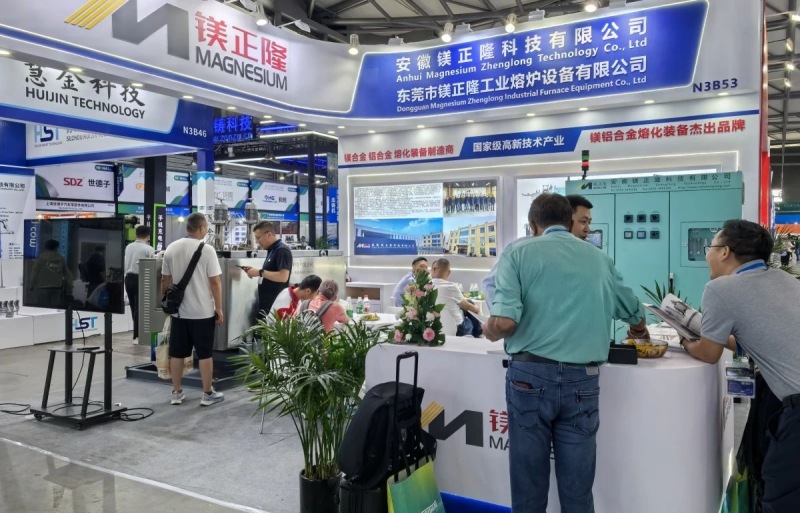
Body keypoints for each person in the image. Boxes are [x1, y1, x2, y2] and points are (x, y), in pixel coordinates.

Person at [484, 193, 648, 513]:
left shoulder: (517, 253)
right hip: (582, 380)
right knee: (577, 487)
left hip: (528, 378)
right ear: (568, 220)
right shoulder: (599, 259)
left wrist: (489, 329)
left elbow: (504, 321)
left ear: (533, 225)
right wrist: (639, 331)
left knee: (529, 483)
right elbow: (634, 312)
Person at [679, 220, 800, 513]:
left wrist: (685, 342)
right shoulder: (785, 280)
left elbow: (708, 353)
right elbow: (760, 338)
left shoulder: (721, 288)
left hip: (797, 413)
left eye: (711, 248)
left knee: (779, 499)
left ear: (724, 252)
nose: (708, 255)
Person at [483, 194, 594, 309]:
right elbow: (490, 284)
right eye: (583, 221)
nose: (587, 229)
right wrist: (504, 314)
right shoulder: (518, 251)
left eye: (589, 222)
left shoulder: (589, 256)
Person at [161, 213, 224, 407]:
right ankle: (207, 393)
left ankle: (176, 393)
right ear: (201, 228)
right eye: (206, 228)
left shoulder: (171, 248)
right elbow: (215, 281)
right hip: (203, 312)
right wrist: (219, 308)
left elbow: (165, 280)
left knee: (177, 353)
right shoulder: (207, 250)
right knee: (205, 354)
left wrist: (167, 300)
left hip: (179, 313)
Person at [243, 221, 293, 316]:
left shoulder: (282, 250)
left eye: (258, 238)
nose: (257, 241)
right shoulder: (272, 250)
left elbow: (283, 277)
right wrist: (255, 271)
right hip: (267, 306)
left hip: (275, 308)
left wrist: (259, 272)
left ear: (268, 234)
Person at [430, 258, 483, 338]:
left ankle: (478, 331)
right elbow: (467, 306)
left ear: (433, 270)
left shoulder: (425, 286)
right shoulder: (451, 286)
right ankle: (479, 332)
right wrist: (476, 309)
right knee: (469, 308)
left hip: (435, 325)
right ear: (449, 272)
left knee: (466, 304)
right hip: (457, 328)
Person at [124, 225, 155, 341]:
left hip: (128, 279)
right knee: (140, 307)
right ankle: (139, 335)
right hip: (141, 279)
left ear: (136, 234)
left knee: (133, 306)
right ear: (148, 236)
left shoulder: (128, 247)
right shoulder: (149, 249)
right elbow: (153, 265)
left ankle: (136, 333)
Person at [28, 239, 73, 309]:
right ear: (56, 247)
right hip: (57, 287)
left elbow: (35, 273)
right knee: (55, 308)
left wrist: (31, 285)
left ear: (45, 247)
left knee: (43, 308)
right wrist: (70, 286)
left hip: (43, 287)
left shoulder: (41, 258)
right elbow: (67, 273)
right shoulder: (61, 259)